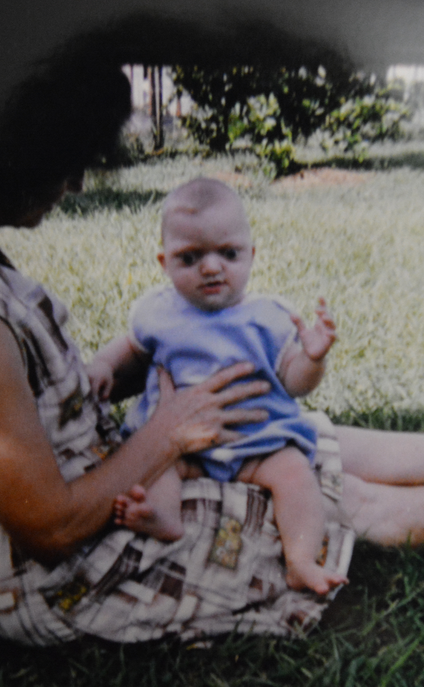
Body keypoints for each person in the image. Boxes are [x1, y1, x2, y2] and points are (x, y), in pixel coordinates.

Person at [0, 33, 424, 647]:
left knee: (316, 440)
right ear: (8, 145)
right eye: (68, 158)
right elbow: (46, 529)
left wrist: (125, 374)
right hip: (76, 570)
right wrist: (168, 432)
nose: (77, 183)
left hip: (119, 475)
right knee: (347, 500)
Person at [88, 177, 346, 596]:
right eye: (190, 258)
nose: (211, 268)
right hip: (181, 449)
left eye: (228, 254)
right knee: (153, 467)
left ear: (251, 255)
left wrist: (312, 359)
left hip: (256, 445)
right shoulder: (158, 312)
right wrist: (102, 364)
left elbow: (294, 383)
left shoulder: (268, 316)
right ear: (164, 262)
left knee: (297, 475)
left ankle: (301, 560)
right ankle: (164, 518)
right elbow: (131, 349)